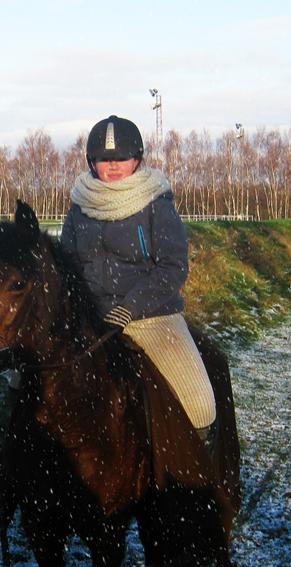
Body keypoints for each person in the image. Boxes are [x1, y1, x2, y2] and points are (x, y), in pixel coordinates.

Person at [61, 114, 215, 440]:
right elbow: (69, 264)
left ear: (137, 159)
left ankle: (200, 482)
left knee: (200, 407)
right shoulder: (79, 205)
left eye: (121, 158)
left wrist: (131, 307)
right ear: (92, 162)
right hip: (91, 317)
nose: (113, 166)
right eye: (105, 159)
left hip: (150, 316)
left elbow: (173, 267)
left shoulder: (156, 203)